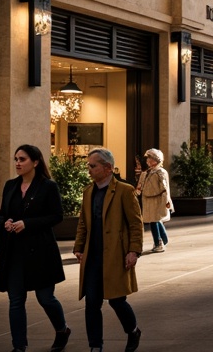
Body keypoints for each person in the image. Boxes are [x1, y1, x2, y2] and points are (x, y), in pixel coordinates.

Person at [0, 144, 71, 352]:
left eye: (22, 159)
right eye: (16, 159)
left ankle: (62, 329)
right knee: (16, 301)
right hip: (14, 252)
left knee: (45, 298)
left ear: (35, 162)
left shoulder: (48, 186)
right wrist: (5, 223)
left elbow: (57, 216)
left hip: (40, 252)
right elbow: (1, 214)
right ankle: (19, 346)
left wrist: (27, 224)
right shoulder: (10, 185)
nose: (18, 163)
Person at [74, 147, 143, 352]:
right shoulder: (88, 192)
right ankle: (95, 346)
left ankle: (133, 331)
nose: (89, 169)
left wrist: (134, 251)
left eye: (93, 166)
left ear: (108, 168)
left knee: (116, 300)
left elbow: (135, 224)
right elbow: (83, 224)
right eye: (88, 165)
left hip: (115, 254)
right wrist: (79, 247)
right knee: (92, 304)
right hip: (92, 257)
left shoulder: (124, 190)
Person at [135, 149, 172, 253]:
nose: (148, 160)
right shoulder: (146, 173)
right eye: (148, 158)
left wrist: (167, 201)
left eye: (150, 158)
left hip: (157, 200)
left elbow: (165, 188)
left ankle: (159, 242)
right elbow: (140, 186)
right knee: (154, 220)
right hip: (147, 200)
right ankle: (163, 239)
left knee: (154, 220)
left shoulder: (161, 172)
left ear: (156, 160)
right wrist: (136, 193)